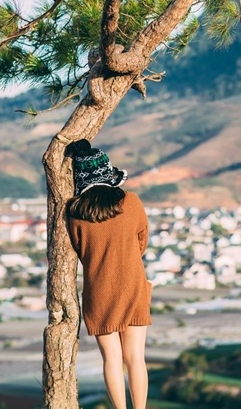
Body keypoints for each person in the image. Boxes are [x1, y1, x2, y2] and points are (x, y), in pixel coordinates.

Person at [66, 139, 152, 409]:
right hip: (133, 285)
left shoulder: (74, 213)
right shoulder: (131, 202)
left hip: (98, 291)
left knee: (111, 359)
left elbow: (79, 251)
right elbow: (142, 241)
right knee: (135, 357)